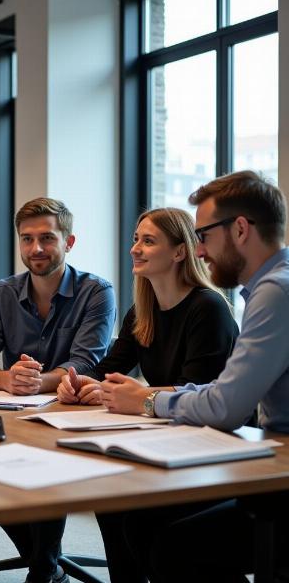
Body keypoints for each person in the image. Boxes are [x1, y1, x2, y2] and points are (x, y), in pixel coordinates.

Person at [99, 171, 289, 582]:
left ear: (240, 229)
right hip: (269, 461)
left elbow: (225, 406)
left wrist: (147, 400)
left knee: (173, 547)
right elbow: (223, 394)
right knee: (137, 519)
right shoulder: (270, 287)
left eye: (203, 235)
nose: (200, 249)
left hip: (274, 477)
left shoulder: (273, 293)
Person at [56, 207, 238, 583]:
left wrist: (138, 395)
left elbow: (203, 389)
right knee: (111, 500)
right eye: (136, 239)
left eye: (148, 241)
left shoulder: (209, 308)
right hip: (165, 436)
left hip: (214, 448)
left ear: (179, 252)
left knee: (139, 517)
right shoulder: (143, 311)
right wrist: (76, 382)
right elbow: (108, 368)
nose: (135, 249)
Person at [0, 197, 116, 583]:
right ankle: (43, 558)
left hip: (74, 414)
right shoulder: (1, 293)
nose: (36, 249)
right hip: (13, 413)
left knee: (51, 459)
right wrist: (6, 379)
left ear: (69, 241)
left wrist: (38, 380)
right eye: (26, 239)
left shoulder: (97, 292)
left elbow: (87, 363)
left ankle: (44, 567)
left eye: (47, 238)